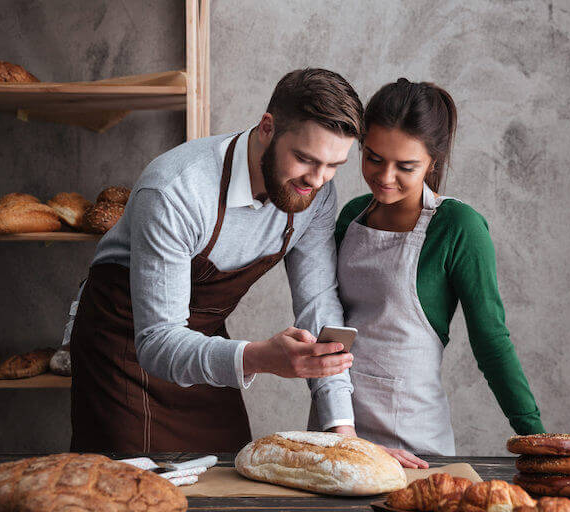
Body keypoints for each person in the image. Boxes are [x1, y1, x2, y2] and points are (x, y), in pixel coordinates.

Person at [69, 68, 363, 452]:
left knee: (229, 480)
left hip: (204, 343)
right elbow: (157, 342)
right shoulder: (175, 191)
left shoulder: (317, 192)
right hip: (123, 346)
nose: (319, 180)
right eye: (305, 159)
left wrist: (342, 429)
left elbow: (318, 302)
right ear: (267, 127)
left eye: (334, 165)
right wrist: (259, 357)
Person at [333, 78, 544, 467]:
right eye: (373, 157)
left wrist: (536, 437)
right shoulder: (351, 216)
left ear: (434, 160)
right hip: (339, 430)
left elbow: (491, 341)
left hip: (413, 441)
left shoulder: (458, 227)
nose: (385, 176)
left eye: (406, 166)